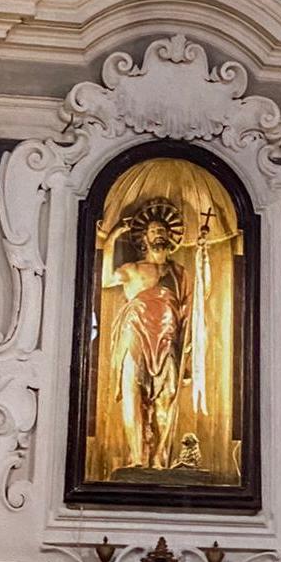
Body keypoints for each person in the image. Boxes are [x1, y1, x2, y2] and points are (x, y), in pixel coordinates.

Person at [101, 200, 191, 469]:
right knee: (133, 393)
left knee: (167, 397)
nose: (159, 234)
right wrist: (113, 237)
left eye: (163, 230)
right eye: (153, 230)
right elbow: (105, 279)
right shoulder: (132, 269)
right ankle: (137, 458)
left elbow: (189, 309)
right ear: (144, 238)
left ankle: (159, 459)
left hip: (168, 339)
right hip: (136, 333)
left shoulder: (179, 273)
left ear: (170, 237)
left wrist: (190, 351)